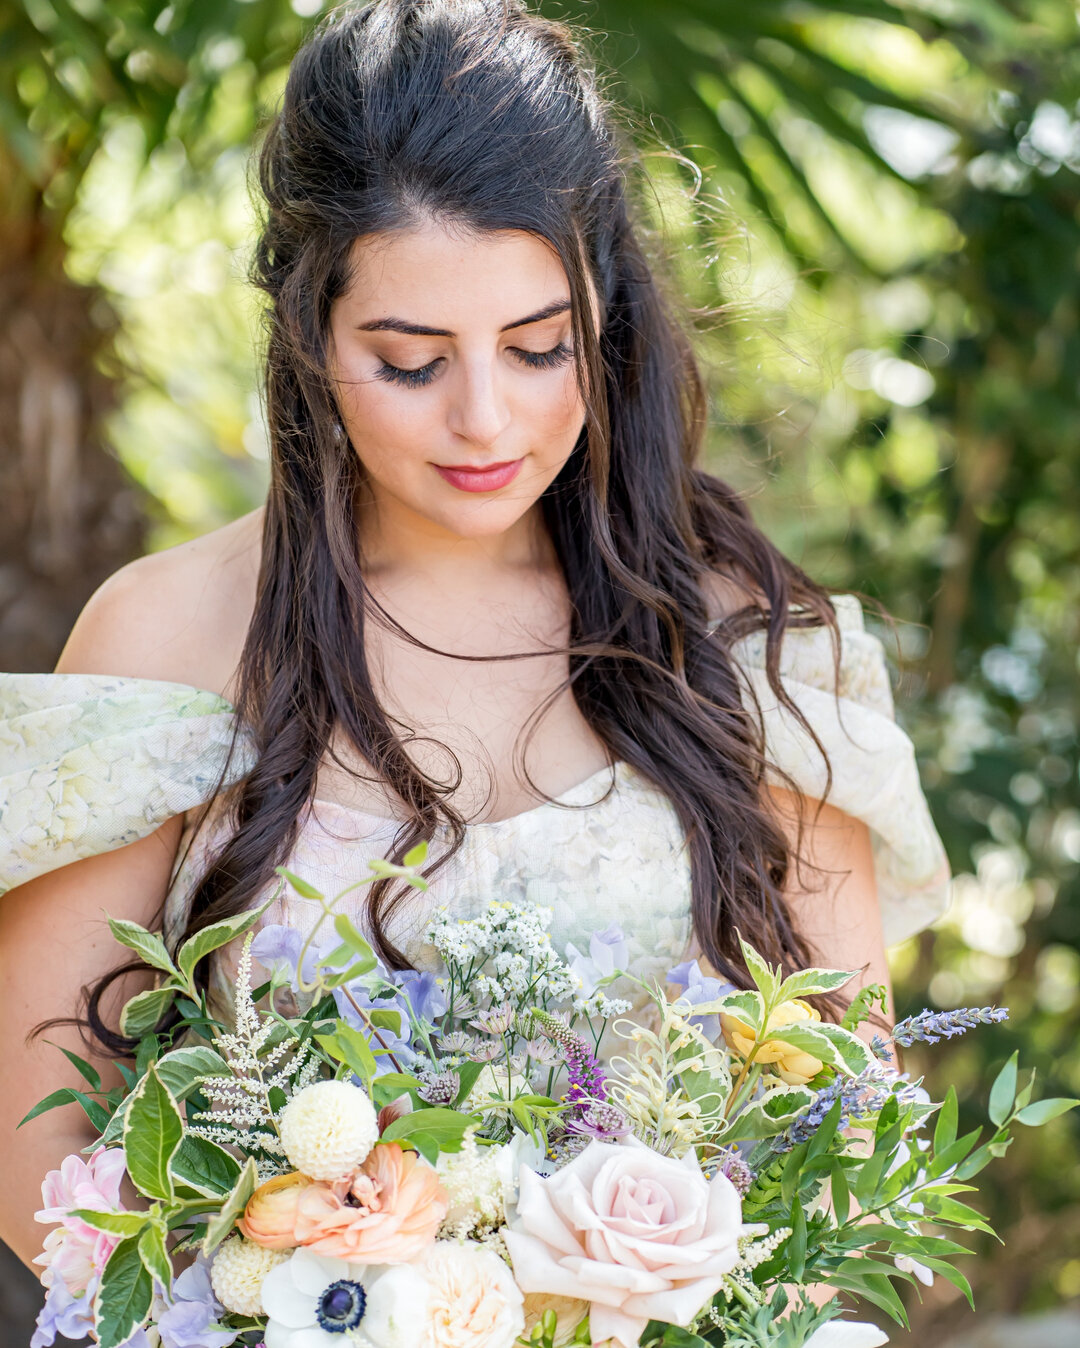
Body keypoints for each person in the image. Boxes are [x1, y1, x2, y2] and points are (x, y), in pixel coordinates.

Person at [0, 0, 949, 1275]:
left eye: (539, 346)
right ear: (308, 334)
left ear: (603, 318)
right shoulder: (168, 633)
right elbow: (33, 1152)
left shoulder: (746, 638)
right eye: (410, 362)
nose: (487, 419)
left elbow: (855, 1132)